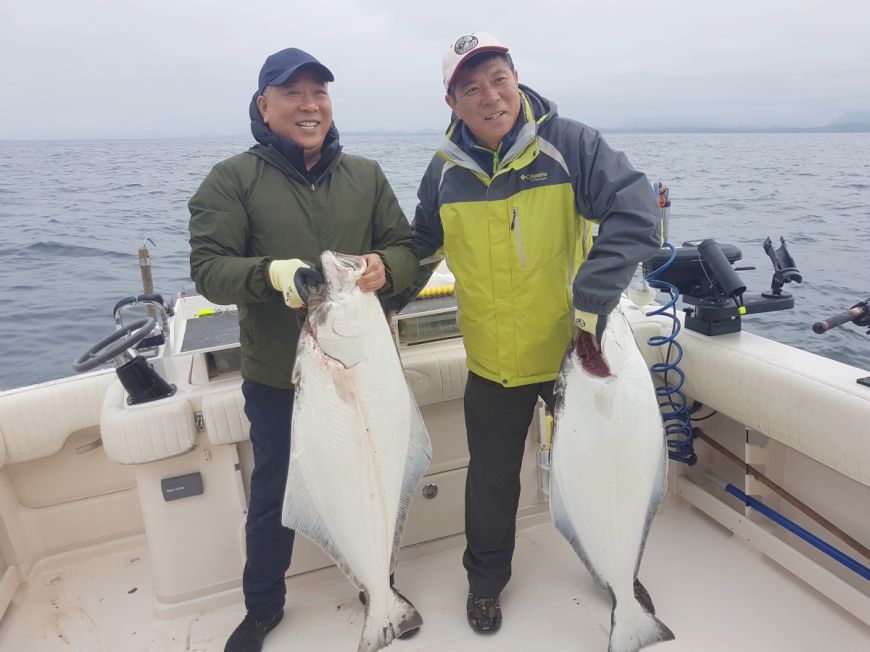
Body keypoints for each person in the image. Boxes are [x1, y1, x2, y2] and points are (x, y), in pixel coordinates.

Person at [386, 32, 662, 634]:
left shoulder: (569, 146)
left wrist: (592, 299)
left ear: (516, 78)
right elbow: (419, 252)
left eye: (499, 79)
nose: (490, 96)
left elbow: (638, 210)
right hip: (494, 361)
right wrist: (376, 295)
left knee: (605, 467)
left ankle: (615, 565)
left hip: (575, 352)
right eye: (471, 87)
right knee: (489, 486)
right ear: (452, 101)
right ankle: (485, 585)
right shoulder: (443, 174)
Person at [188, 47, 419, 652]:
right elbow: (209, 269)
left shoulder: (365, 175)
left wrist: (381, 266)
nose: (308, 104)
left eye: (318, 92)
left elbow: (407, 250)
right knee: (274, 494)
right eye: (292, 94)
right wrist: (270, 274)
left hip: (366, 373)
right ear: (264, 107)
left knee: (376, 477)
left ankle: (382, 589)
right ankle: (262, 606)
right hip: (278, 379)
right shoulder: (231, 179)